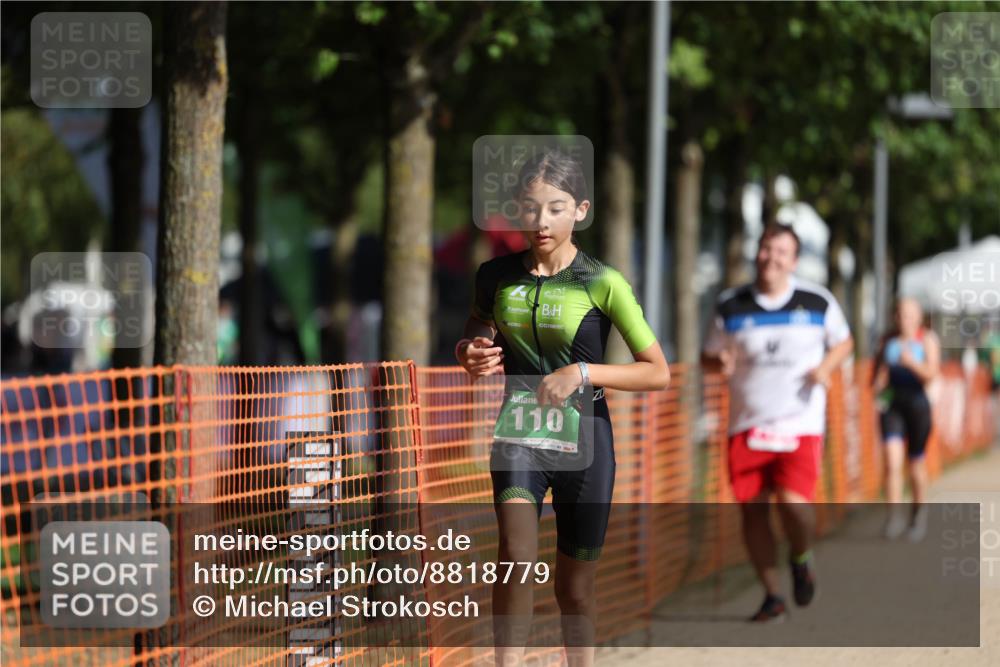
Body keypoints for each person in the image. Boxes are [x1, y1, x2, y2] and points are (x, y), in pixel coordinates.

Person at [455, 150, 670, 666]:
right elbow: (477, 331)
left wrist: (584, 372)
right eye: (531, 208)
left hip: (587, 443)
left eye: (555, 207)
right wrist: (469, 352)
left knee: (574, 589)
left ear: (581, 210)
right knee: (516, 557)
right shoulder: (494, 276)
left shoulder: (603, 281)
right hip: (519, 434)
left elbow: (657, 371)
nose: (542, 221)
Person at [701, 222, 853, 623]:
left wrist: (826, 368)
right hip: (746, 425)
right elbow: (708, 356)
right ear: (758, 253)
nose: (771, 257)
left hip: (799, 423)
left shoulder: (816, 301)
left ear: (794, 260)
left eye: (781, 251)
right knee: (752, 512)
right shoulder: (731, 305)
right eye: (766, 249)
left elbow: (844, 341)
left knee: (792, 502)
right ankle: (772, 595)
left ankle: (801, 557)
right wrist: (720, 362)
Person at [872, 298, 939, 541]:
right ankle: (893, 517)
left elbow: (931, 374)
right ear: (895, 317)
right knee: (891, 462)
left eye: (910, 315)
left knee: (915, 464)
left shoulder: (927, 339)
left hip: (918, 406)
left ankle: (918, 514)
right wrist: (878, 384)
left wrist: (912, 363)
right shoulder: (887, 341)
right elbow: (877, 374)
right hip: (892, 406)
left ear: (919, 317)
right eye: (900, 315)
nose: (905, 320)